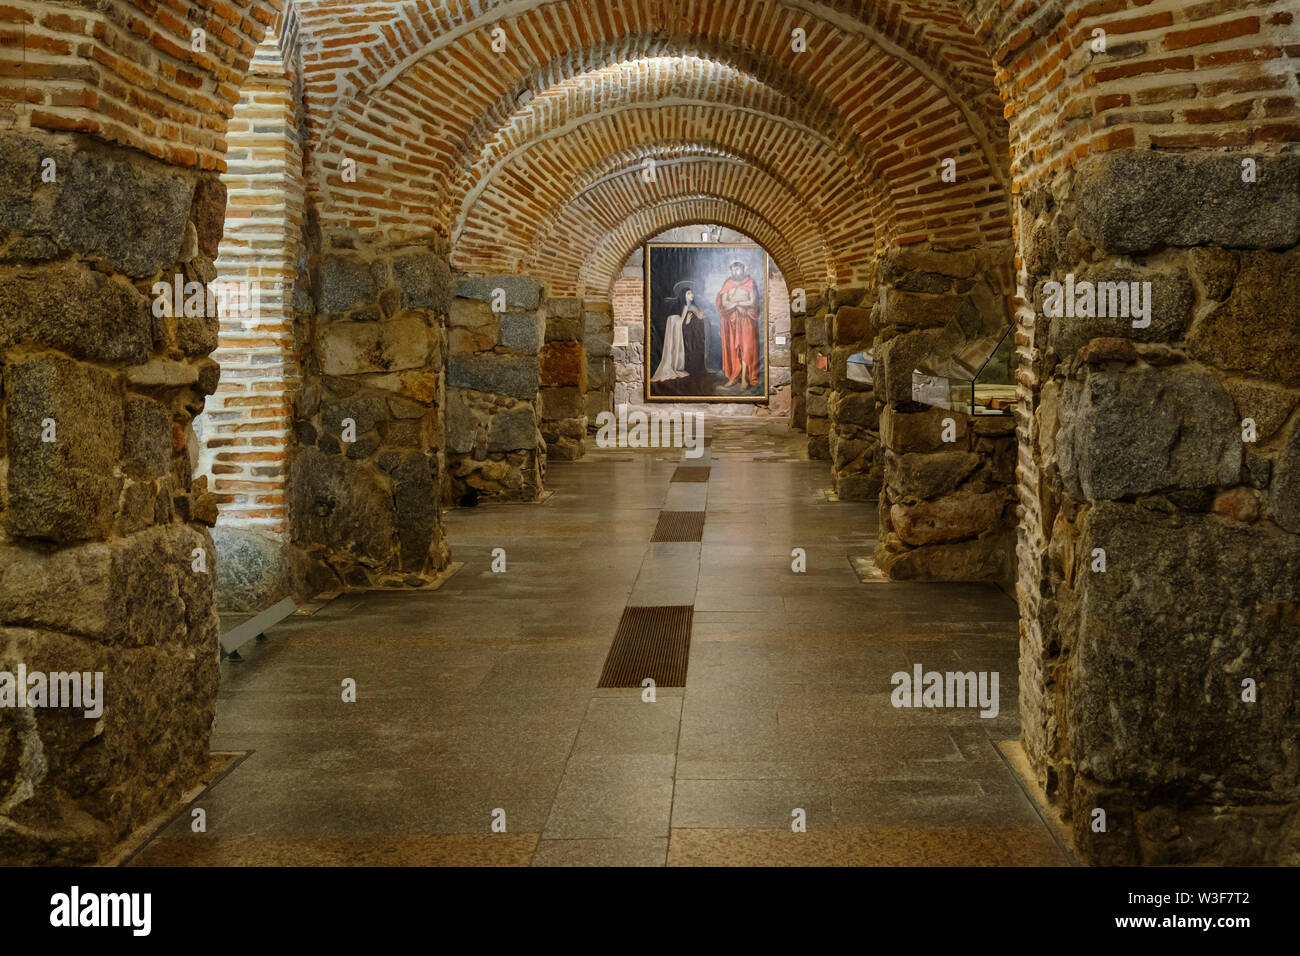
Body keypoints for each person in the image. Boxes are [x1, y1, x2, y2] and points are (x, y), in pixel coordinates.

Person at [716, 259, 760, 387]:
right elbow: (724, 303)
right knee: (734, 349)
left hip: (745, 319)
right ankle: (735, 376)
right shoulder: (728, 284)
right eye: (733, 269)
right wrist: (737, 304)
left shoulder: (750, 283)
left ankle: (745, 378)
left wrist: (738, 304)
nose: (735, 271)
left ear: (743, 270)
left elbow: (752, 302)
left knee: (746, 347)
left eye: (738, 269)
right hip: (731, 321)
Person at [650, 307, 688, 382]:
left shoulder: (684, 306)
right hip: (672, 318)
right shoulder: (674, 312)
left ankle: (675, 364)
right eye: (689, 294)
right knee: (670, 343)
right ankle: (671, 364)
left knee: (674, 344)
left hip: (675, 319)